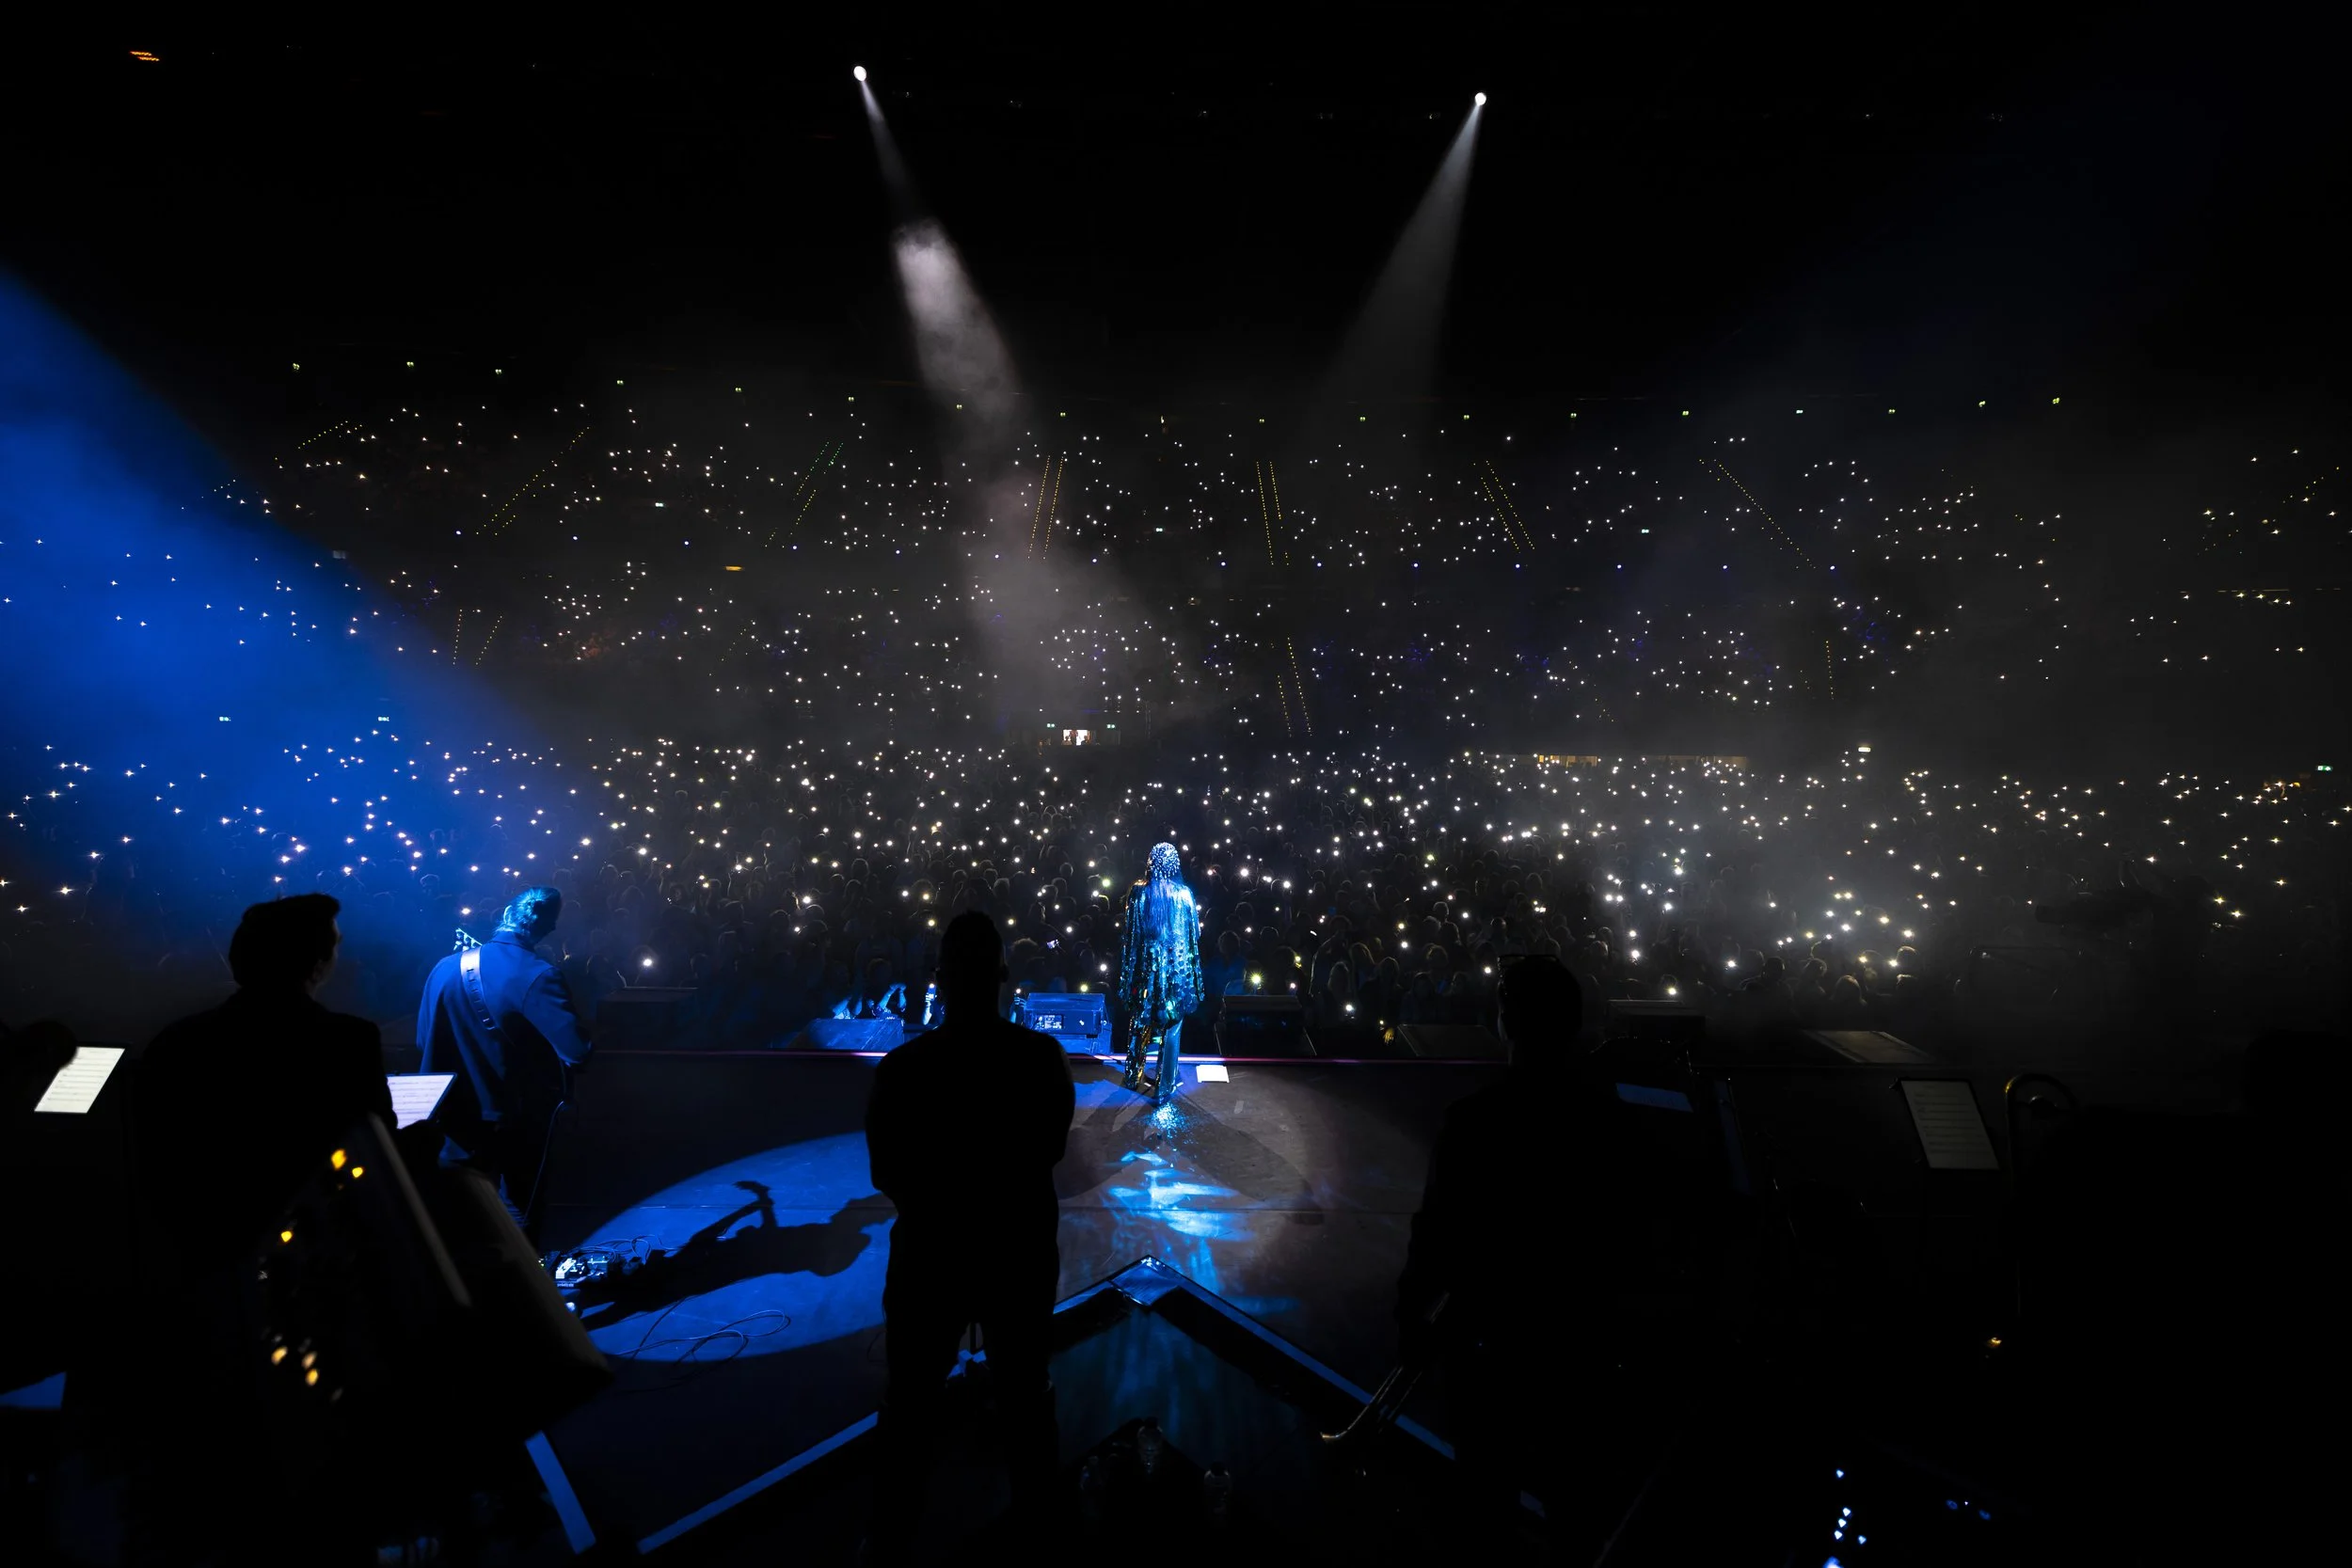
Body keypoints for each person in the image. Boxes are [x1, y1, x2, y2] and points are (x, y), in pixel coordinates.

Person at [1392, 955, 1669, 1562]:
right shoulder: (1613, 1125)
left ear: (1507, 1020)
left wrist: (1412, 1313)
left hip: (1491, 1345)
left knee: (1486, 1510)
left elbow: (1436, 1233)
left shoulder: (1475, 1122)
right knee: (1577, 1512)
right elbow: (1635, 1241)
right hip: (1581, 1346)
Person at [865, 911, 1075, 1560]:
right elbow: (1049, 1147)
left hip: (930, 1259)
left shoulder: (903, 1068)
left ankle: (892, 1541)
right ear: (1002, 980)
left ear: (941, 980)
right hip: (1016, 1256)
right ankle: (1040, 1535)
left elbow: (887, 1171)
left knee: (911, 1409)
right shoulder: (1039, 1059)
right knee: (1024, 1403)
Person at [138, 893, 393, 1268]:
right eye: (334, 946)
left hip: (198, 1242)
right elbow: (372, 1144)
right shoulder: (346, 1041)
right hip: (313, 1248)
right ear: (318, 962)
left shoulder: (178, 1039)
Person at [415, 886, 592, 1237]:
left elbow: (423, 1040)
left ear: (505, 916)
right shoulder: (538, 974)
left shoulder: (444, 968)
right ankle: (520, 1288)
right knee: (518, 1212)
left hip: (450, 1116)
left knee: (459, 1213)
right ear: (545, 927)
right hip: (514, 1116)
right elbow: (577, 1052)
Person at [1117, 842, 1201, 1103]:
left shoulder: (1139, 894)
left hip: (1145, 968)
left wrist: (1129, 972)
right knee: (1173, 1024)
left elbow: (1130, 936)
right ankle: (1164, 1084)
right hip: (1177, 969)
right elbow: (1194, 935)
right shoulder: (1184, 895)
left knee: (1140, 1019)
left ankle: (1133, 1075)